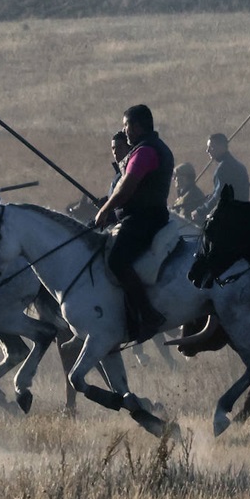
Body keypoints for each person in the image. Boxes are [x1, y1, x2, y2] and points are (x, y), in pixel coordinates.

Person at [94, 104, 175, 342]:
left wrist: (105, 210)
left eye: (126, 125)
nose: (124, 130)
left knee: (116, 260)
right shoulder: (148, 148)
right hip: (142, 217)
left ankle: (148, 315)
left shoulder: (145, 152)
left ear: (138, 126)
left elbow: (127, 188)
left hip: (143, 221)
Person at [194, 133, 249, 220]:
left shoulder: (223, 169)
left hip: (228, 219)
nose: (207, 151)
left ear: (221, 147)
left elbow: (218, 197)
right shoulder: (240, 166)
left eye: (211, 147)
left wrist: (201, 210)